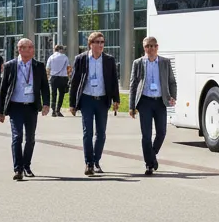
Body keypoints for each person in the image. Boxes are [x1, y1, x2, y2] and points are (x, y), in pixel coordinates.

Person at [0, 38, 50, 180]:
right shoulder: (10, 66)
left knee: (30, 138)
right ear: (19, 49)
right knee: (17, 136)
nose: (30, 50)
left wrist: (46, 104)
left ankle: (27, 165)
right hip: (15, 107)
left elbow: (45, 86)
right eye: (26, 47)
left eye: (31, 47)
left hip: (31, 106)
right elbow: (3, 90)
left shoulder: (38, 66)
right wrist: (0, 111)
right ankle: (18, 169)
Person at [68, 31, 119, 176]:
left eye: (102, 42)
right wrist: (72, 103)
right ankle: (88, 163)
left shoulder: (109, 60)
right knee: (87, 132)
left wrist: (116, 99)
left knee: (101, 134)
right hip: (87, 99)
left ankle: (96, 161)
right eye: (97, 42)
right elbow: (75, 82)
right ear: (90, 44)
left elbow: (114, 81)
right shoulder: (81, 59)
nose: (100, 45)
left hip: (102, 99)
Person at [129, 36, 177, 176]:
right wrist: (132, 106)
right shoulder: (138, 63)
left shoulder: (164, 62)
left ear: (157, 47)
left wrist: (173, 96)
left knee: (161, 132)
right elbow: (133, 85)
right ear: (144, 48)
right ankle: (149, 164)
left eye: (153, 46)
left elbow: (172, 81)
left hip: (160, 101)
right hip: (145, 102)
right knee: (146, 135)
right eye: (147, 46)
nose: (150, 49)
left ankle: (152, 155)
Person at [45, 44, 71, 116]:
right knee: (61, 94)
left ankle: (53, 111)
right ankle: (58, 110)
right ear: (61, 49)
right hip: (63, 78)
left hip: (53, 78)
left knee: (53, 94)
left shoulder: (51, 57)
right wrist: (69, 77)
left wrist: (47, 77)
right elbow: (68, 68)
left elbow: (48, 68)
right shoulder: (65, 57)